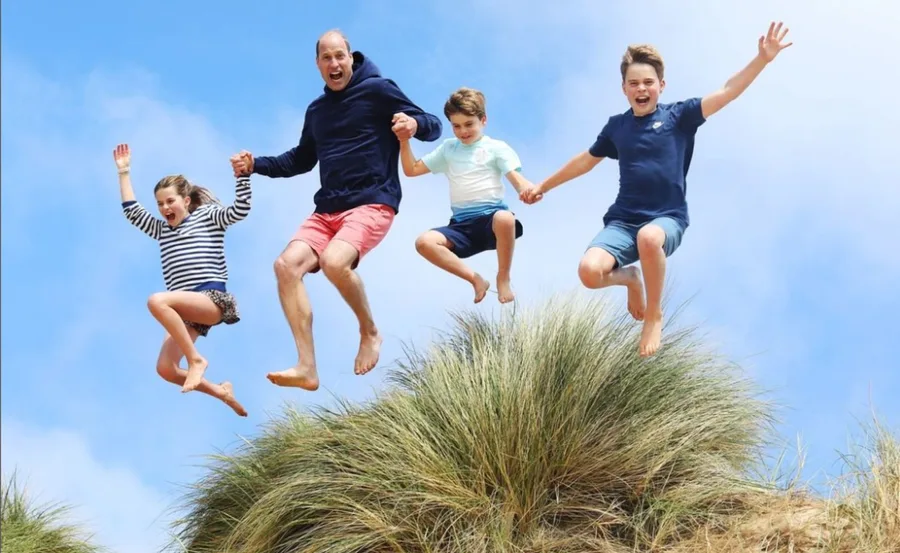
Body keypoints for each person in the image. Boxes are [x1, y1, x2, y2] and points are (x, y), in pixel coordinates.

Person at [522, 21, 792, 357]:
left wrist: (762, 60)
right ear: (623, 89)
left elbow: (727, 91)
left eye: (648, 82)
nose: (641, 88)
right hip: (622, 221)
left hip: (667, 218)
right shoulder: (617, 127)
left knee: (649, 238)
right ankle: (631, 279)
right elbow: (586, 161)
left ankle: (654, 314)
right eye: (633, 83)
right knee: (589, 273)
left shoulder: (680, 116)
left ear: (661, 85)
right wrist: (543, 185)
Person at [230, 29, 442, 391]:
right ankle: (307, 367)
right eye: (326, 58)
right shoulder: (317, 111)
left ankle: (369, 331)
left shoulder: (378, 90)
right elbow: (299, 159)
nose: (334, 64)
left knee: (333, 261)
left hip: (373, 200)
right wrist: (255, 166)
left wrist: (413, 123)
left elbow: (433, 126)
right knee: (285, 266)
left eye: (339, 56)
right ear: (317, 65)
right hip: (328, 209)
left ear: (350, 56)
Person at [114, 143, 252, 416]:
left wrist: (243, 177)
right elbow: (132, 211)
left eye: (170, 201)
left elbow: (240, 211)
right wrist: (124, 172)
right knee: (165, 369)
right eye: (160, 204)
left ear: (186, 201)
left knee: (156, 301)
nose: (165, 207)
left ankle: (196, 360)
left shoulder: (206, 217)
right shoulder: (162, 230)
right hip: (186, 311)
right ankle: (221, 392)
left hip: (211, 300)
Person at [399, 87, 539, 304]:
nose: (463, 131)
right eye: (456, 126)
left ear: (483, 120)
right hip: (461, 227)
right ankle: (475, 280)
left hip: (491, 222)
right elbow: (412, 170)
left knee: (505, 217)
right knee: (424, 242)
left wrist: (525, 189)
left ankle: (503, 277)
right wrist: (404, 140)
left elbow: (516, 178)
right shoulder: (449, 149)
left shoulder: (496, 148)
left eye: (469, 124)